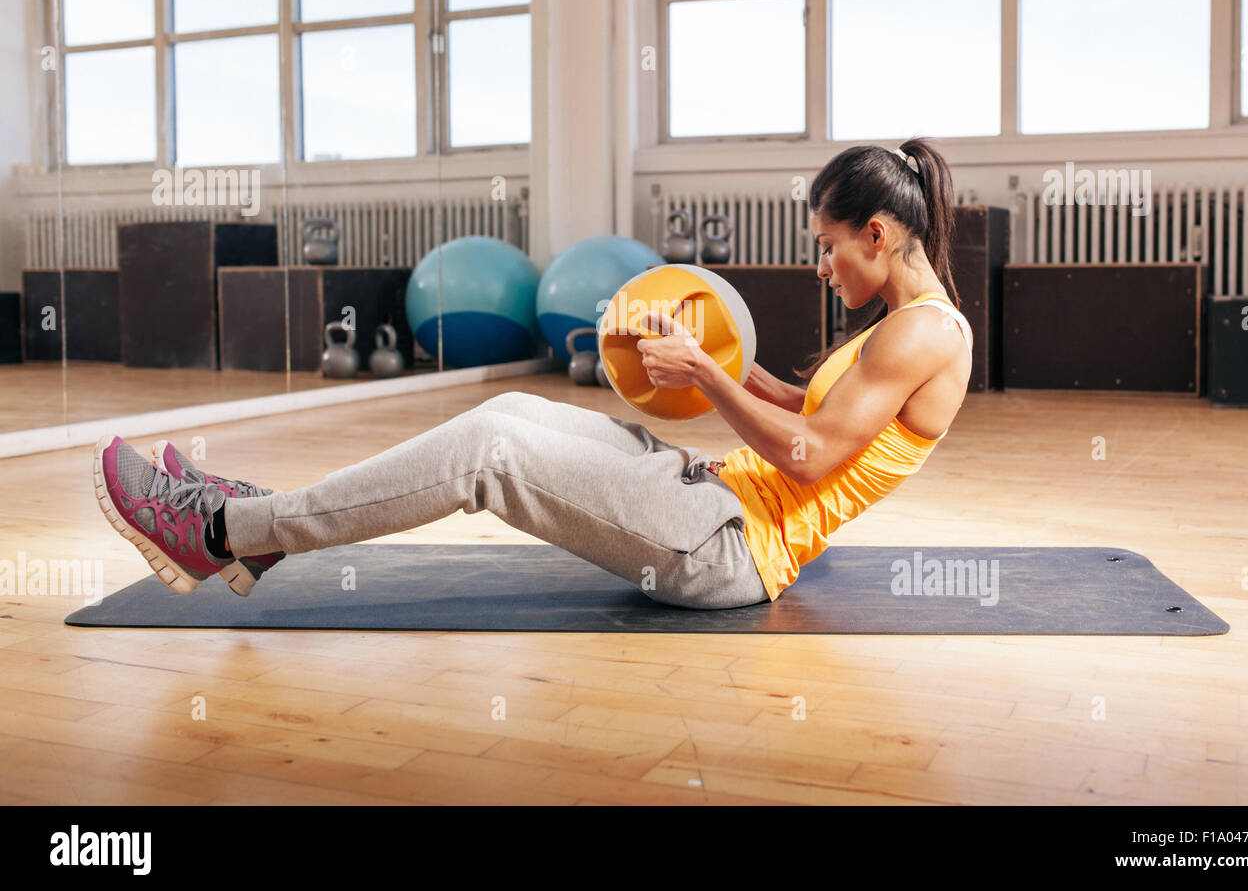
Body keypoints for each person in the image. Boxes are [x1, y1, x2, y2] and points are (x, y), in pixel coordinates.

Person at [92, 138, 972, 609]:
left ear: (878, 234)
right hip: (712, 491)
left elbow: (813, 456)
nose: (823, 268)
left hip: (727, 549)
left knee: (489, 450)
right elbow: (803, 407)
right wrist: (693, 352)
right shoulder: (902, 328)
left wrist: (705, 372)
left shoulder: (921, 337)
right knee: (512, 404)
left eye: (827, 247)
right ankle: (263, 527)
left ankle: (220, 532)